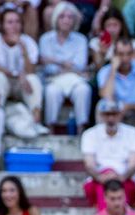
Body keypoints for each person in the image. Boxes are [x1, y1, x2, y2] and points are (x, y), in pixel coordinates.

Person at [0, 6, 42, 137]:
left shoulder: (28, 42)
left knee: (33, 80)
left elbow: (31, 70)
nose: (14, 26)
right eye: (10, 22)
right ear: (2, 25)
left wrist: (23, 49)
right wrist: (16, 74)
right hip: (5, 82)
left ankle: (36, 120)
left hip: (22, 84)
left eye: (17, 22)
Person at [81, 99, 135, 207]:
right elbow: (89, 164)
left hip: (124, 178)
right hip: (99, 178)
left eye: (114, 114)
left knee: (113, 187)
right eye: (107, 114)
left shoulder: (134, 133)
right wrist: (102, 178)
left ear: (120, 115)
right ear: (101, 115)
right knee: (104, 187)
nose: (111, 118)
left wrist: (120, 177)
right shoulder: (89, 134)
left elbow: (133, 164)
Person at [39, 2, 90, 130]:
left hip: (75, 79)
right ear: (56, 18)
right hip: (53, 80)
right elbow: (48, 68)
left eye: (70, 17)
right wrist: (64, 63)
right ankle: (50, 129)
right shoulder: (45, 39)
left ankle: (80, 129)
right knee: (52, 92)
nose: (66, 20)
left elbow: (80, 65)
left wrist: (54, 61)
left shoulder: (81, 39)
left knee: (83, 90)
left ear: (75, 21)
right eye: (62, 16)